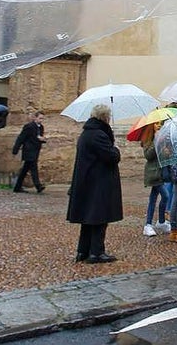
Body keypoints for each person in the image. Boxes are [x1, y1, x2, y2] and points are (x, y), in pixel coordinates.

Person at [67, 103, 122, 263]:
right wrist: (116, 149)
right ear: (105, 117)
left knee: (88, 219)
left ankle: (83, 250)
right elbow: (111, 156)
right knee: (99, 218)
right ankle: (96, 252)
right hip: (98, 183)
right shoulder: (98, 135)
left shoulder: (87, 133)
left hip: (89, 182)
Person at [141, 121, 171, 237]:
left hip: (162, 173)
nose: (159, 126)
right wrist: (156, 141)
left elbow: (164, 156)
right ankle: (151, 224)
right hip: (153, 173)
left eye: (160, 124)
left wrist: (167, 152)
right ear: (151, 126)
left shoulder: (162, 139)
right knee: (166, 196)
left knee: (153, 198)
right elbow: (148, 156)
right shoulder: (148, 139)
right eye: (156, 123)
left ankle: (156, 223)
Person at [12, 110, 46, 193]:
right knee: (33, 167)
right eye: (40, 118)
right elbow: (21, 137)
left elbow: (38, 137)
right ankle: (38, 186)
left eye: (42, 119)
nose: (41, 120)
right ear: (35, 118)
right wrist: (15, 149)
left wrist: (42, 139)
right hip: (29, 150)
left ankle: (17, 187)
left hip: (35, 149)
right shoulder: (29, 126)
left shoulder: (41, 127)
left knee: (25, 169)